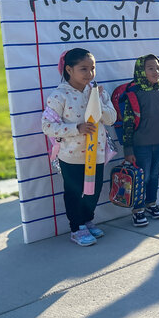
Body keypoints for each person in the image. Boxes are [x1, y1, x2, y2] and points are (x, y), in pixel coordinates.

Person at [41, 48, 116, 246]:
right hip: (71, 156)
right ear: (69, 69)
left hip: (96, 154)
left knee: (94, 190)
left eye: (93, 68)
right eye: (84, 69)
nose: (90, 73)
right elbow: (47, 126)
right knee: (74, 193)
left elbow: (111, 118)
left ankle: (87, 220)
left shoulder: (98, 92)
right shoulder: (59, 96)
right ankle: (76, 228)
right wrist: (77, 128)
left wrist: (99, 101)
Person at [122, 54, 159, 227]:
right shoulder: (133, 94)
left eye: (158, 67)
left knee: (154, 175)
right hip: (141, 146)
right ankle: (138, 209)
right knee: (143, 177)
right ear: (141, 71)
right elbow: (127, 124)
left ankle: (151, 204)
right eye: (151, 68)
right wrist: (128, 150)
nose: (156, 71)